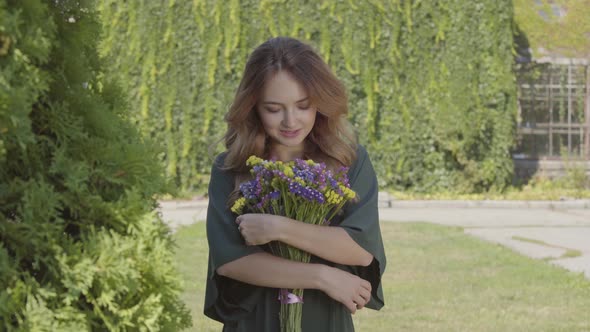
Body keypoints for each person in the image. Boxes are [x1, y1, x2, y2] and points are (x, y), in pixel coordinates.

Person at [204, 36, 386, 332]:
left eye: (303, 105)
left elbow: (360, 248)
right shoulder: (230, 168)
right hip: (254, 322)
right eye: (274, 109)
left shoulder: (349, 161)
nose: (291, 121)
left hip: (325, 320)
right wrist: (323, 277)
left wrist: (278, 228)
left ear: (320, 101)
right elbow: (231, 261)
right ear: (253, 107)